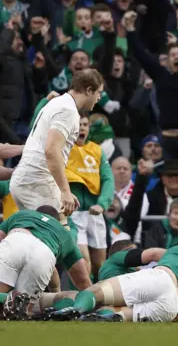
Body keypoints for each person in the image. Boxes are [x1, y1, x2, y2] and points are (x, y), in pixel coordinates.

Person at [48, 238, 178, 323]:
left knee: (93, 294)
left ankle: (75, 309)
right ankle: (105, 318)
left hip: (161, 279)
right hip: (172, 306)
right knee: (119, 315)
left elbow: (153, 254)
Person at [10, 69, 104, 221]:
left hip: (31, 180)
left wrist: (59, 188)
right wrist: (65, 190)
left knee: (42, 238)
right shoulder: (68, 111)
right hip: (36, 181)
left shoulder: (57, 103)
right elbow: (51, 150)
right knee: (58, 237)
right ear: (88, 90)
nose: (99, 98)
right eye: (99, 92)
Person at [0, 207, 92, 320]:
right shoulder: (65, 235)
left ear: (36, 212)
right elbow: (83, 281)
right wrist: (93, 300)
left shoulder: (22, 214)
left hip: (17, 239)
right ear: (58, 221)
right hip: (45, 254)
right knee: (20, 312)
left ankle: (5, 299)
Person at [66, 114, 115, 279]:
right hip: (73, 214)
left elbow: (108, 179)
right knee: (83, 263)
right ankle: (82, 301)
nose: (82, 128)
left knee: (100, 266)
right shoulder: (63, 149)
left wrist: (102, 204)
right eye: (78, 124)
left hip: (95, 212)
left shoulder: (97, 151)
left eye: (85, 125)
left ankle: (99, 301)